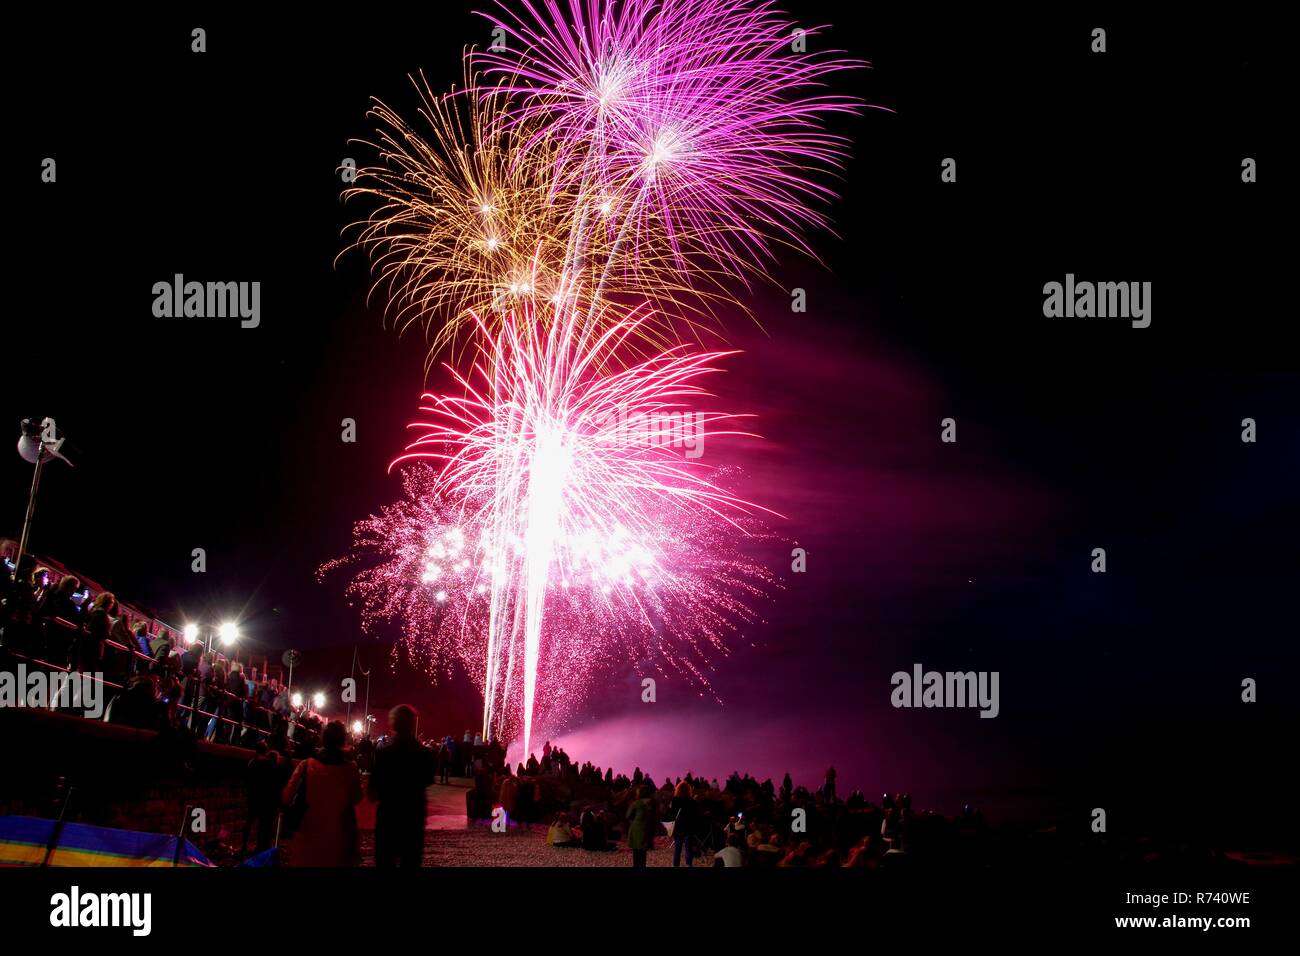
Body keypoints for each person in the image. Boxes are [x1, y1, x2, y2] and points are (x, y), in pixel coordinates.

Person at [281, 721, 363, 866]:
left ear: (323, 738)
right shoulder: (351, 769)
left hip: (307, 835)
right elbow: (357, 798)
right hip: (338, 837)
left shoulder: (306, 765)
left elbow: (286, 797)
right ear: (343, 740)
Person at [368, 704, 437, 867]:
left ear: (393, 724)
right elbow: (428, 779)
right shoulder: (425, 754)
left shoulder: (384, 753)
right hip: (413, 819)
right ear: (413, 724)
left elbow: (372, 792)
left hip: (388, 818)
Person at [669, 780, 698, 867]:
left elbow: (672, 813)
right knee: (688, 849)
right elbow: (694, 814)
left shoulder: (675, 800)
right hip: (688, 827)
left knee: (677, 849)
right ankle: (689, 864)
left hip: (678, 827)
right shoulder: (691, 801)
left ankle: (675, 865)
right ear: (688, 790)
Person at [625, 784, 656, 867]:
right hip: (647, 829)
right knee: (643, 854)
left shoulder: (637, 803)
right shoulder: (653, 803)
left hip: (636, 828)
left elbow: (627, 815)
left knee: (636, 853)